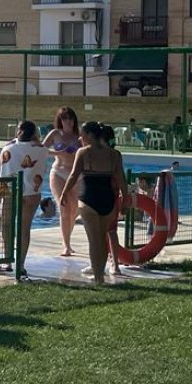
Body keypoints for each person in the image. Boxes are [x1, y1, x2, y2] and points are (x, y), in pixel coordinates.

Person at [60, 122, 128, 285]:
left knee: (93, 240)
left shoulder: (83, 153)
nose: (80, 138)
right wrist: (124, 200)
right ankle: (100, 275)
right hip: (108, 200)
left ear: (90, 135)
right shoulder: (114, 155)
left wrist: (64, 193)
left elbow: (73, 176)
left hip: (88, 200)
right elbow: (121, 180)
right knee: (102, 238)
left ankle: (98, 277)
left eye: (82, 134)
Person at [0, 121, 47, 278]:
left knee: (6, 225)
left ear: (18, 132)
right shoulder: (42, 150)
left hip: (10, 190)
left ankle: (7, 259)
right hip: (32, 191)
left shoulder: (8, 148)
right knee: (24, 228)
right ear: (34, 134)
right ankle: (21, 264)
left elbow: (0, 171)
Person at [43, 107, 81, 257]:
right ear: (60, 120)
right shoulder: (55, 134)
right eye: (65, 118)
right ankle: (66, 245)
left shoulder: (79, 135)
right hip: (59, 173)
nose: (68, 121)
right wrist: (57, 152)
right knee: (64, 207)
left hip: (76, 174)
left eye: (70, 118)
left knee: (74, 210)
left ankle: (67, 239)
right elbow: (41, 150)